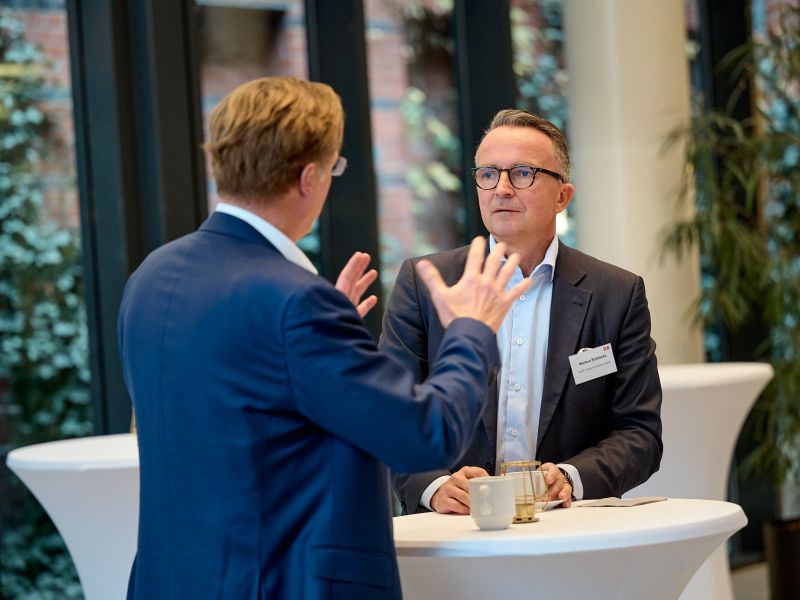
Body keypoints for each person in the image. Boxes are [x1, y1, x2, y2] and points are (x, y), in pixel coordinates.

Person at [118, 77, 531, 599]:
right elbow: (426, 435)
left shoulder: (151, 277)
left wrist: (319, 340)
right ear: (308, 177)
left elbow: (235, 415)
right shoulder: (294, 304)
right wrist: (472, 328)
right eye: (334, 169)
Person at [380, 109, 663, 516]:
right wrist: (434, 485)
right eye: (488, 174)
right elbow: (391, 413)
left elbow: (639, 434)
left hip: (569, 528)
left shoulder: (616, 294)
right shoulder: (426, 284)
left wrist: (571, 477)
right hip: (453, 529)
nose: (502, 189)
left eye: (523, 173)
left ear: (563, 196)